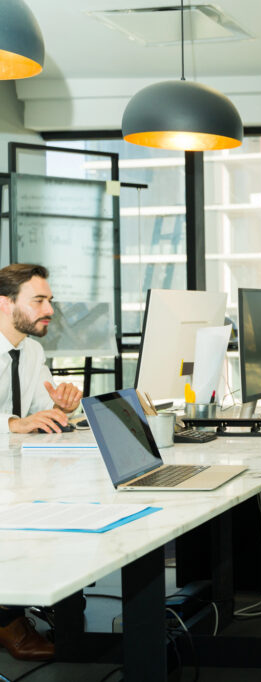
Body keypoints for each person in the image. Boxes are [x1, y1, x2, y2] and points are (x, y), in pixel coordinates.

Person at [0, 263, 84, 661]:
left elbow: (37, 413)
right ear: (5, 304)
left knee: (71, 497)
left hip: (13, 470)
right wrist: (16, 424)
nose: (49, 308)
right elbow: (19, 423)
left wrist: (58, 405)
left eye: (49, 299)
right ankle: (6, 617)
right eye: (39, 300)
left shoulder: (31, 351)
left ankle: (58, 599)